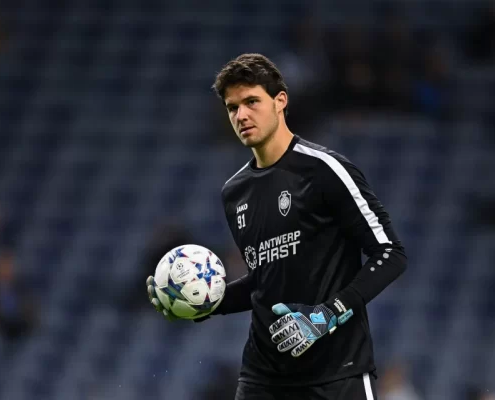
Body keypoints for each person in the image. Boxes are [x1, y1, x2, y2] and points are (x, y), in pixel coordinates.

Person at [147, 53, 407, 399]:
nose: (241, 115)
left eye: (251, 102)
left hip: (335, 375)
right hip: (263, 379)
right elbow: (265, 281)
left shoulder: (325, 169)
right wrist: (204, 302)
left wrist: (327, 315)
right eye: (232, 107)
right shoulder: (235, 192)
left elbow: (390, 254)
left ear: (280, 101)